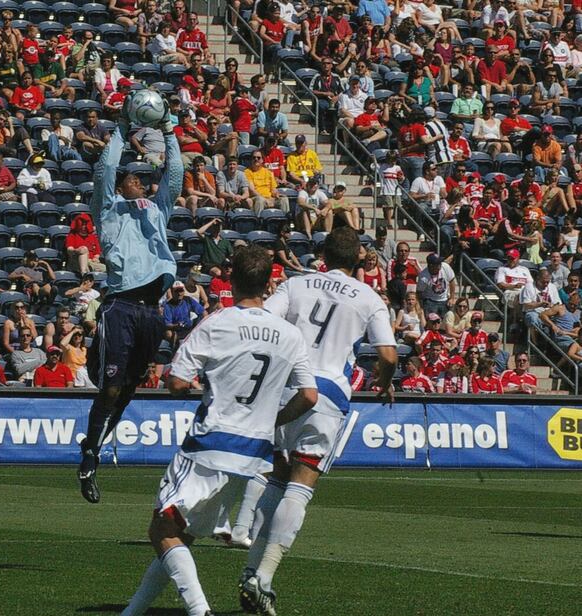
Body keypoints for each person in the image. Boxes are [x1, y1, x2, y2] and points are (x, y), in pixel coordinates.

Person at [121, 245, 318, 616]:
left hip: (210, 443)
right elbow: (308, 396)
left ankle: (200, 611)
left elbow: (176, 382)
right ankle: (131, 612)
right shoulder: (290, 335)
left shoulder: (217, 322)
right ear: (270, 284)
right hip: (253, 454)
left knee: (161, 530)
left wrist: (204, 389)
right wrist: (272, 419)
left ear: (231, 281)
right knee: (181, 535)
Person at [236, 228, 397, 613]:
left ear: (323, 254)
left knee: (275, 479)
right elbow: (388, 356)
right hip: (328, 394)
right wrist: (383, 380)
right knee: (302, 483)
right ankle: (265, 578)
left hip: (286, 386)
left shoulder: (297, 284)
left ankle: (248, 571)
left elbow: (260, 318)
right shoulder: (369, 297)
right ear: (358, 257)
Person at [78, 96, 183, 503]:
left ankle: (96, 446)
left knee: (128, 389)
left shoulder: (157, 210)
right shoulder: (109, 210)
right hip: (121, 304)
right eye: (131, 176)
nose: (138, 178)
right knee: (110, 387)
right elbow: (105, 167)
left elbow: (175, 173)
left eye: (141, 176)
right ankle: (91, 451)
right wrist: (122, 128)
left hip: (151, 311)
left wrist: (170, 131)